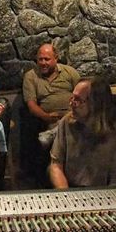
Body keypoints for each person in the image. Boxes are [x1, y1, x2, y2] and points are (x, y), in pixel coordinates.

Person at [49, 77, 116, 188]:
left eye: (78, 100)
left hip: (103, 193)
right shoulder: (66, 122)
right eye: (72, 97)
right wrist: (65, 195)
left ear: (96, 104)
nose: (71, 103)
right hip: (70, 189)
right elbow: (56, 165)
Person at [21, 43, 80, 187]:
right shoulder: (31, 76)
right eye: (40, 59)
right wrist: (46, 116)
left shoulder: (69, 72)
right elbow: (31, 105)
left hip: (74, 117)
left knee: (69, 125)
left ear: (56, 58)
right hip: (48, 121)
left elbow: (83, 94)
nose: (43, 63)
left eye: (47, 59)